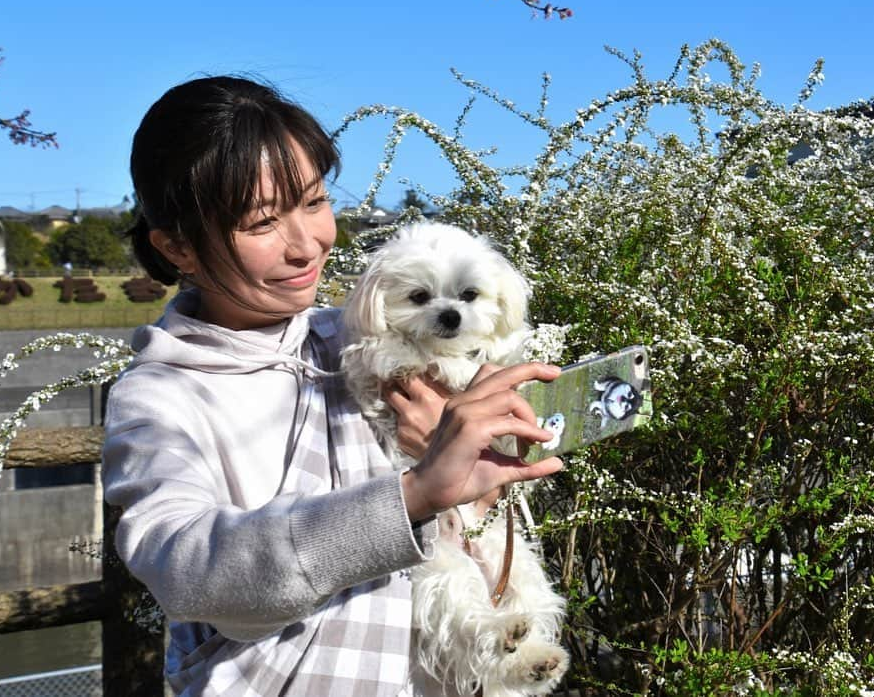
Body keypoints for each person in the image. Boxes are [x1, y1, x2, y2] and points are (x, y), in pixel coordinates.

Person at [101, 75, 564, 696]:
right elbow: (186, 569)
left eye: (315, 202)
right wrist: (416, 493)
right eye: (263, 222)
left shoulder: (368, 339)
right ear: (177, 247)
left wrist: (475, 462)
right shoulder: (162, 395)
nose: (309, 244)